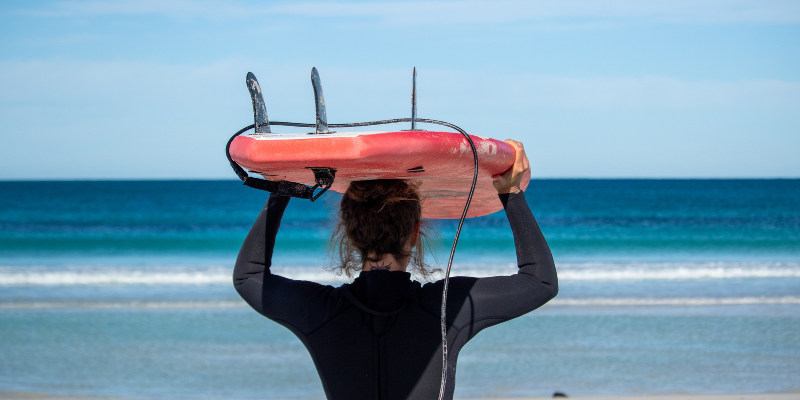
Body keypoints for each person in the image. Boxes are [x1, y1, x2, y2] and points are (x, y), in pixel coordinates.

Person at [233, 140, 558, 400]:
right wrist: (510, 193)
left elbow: (250, 277)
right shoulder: (447, 307)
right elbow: (539, 281)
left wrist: (282, 190)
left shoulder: (321, 311)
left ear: (348, 233)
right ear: (416, 232)